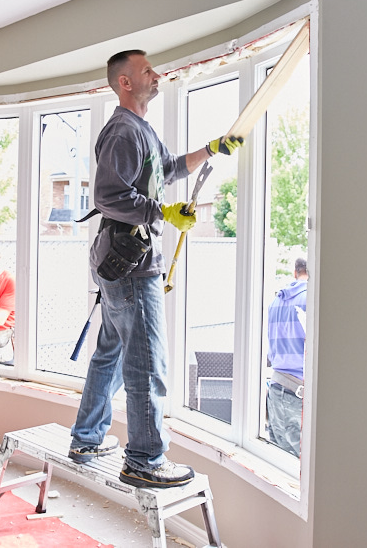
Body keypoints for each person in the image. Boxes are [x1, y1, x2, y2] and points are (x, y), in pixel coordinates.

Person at [68, 49, 242, 488]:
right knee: (147, 364)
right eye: (147, 70)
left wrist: (210, 149)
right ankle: (144, 459)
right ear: (125, 82)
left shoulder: (141, 130)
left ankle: (86, 438)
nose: (156, 74)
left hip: (120, 262)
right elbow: (108, 196)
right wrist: (162, 213)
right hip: (131, 264)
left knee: (110, 351)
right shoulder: (123, 131)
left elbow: (166, 169)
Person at [265, 257, 308, 457]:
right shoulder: (311, 301)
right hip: (296, 395)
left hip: (276, 389)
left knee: (280, 463)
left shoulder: (276, 302)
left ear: (295, 272)